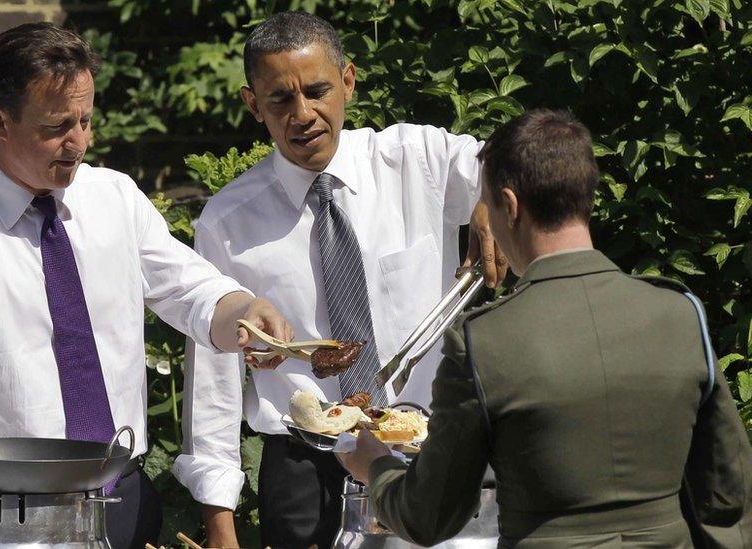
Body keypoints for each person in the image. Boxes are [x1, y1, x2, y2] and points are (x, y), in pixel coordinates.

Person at [0, 22, 293, 549]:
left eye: (86, 120)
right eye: (58, 126)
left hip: (120, 496)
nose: (78, 142)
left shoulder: (115, 199)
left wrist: (243, 309)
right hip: (0, 518)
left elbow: (191, 291)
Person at [340, 109, 752, 548]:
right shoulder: (681, 314)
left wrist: (375, 466)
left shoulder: (482, 342)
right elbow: (728, 491)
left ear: (511, 206)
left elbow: (429, 515)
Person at [172, 11, 506, 549]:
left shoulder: (415, 160)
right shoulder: (228, 222)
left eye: (318, 90)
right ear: (253, 104)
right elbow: (212, 381)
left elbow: (510, 156)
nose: (302, 114)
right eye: (280, 99)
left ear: (348, 80)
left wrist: (496, 187)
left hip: (425, 449)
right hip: (304, 469)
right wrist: (220, 521)